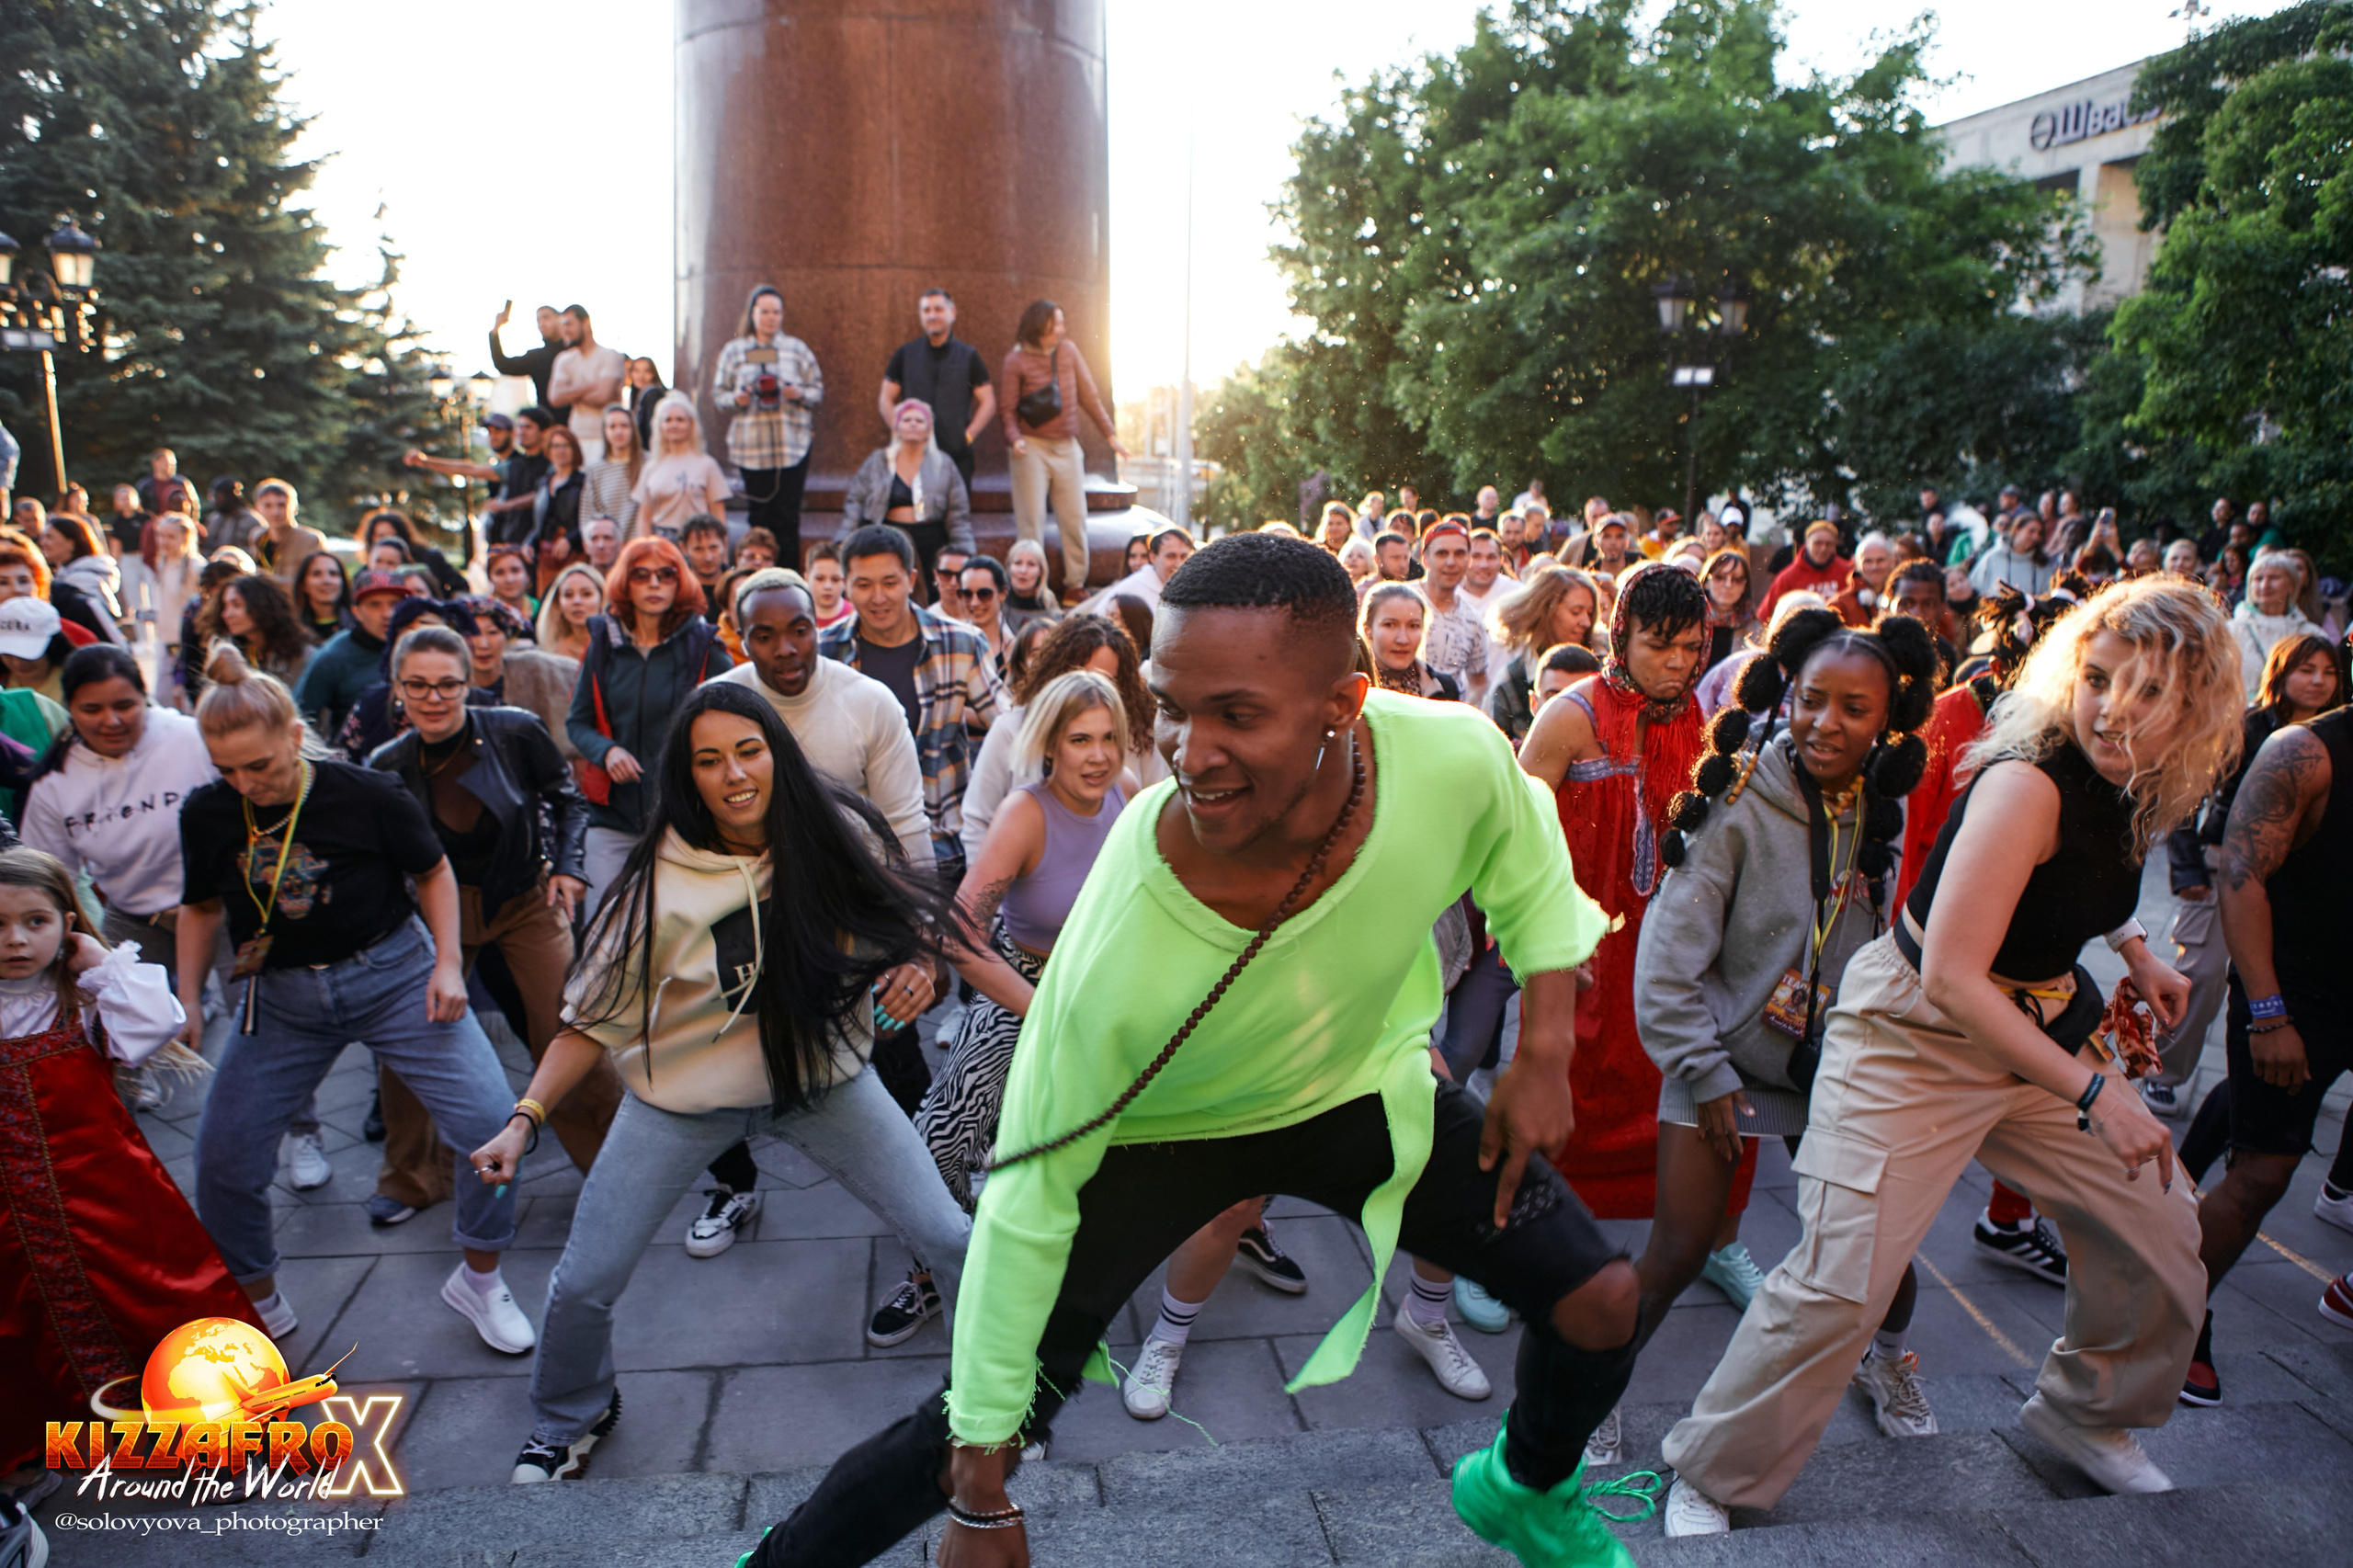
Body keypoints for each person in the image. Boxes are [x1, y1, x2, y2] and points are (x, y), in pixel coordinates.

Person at [745, 534, 1637, 1568]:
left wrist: (1543, 1048)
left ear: (1343, 704)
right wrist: (981, 1498)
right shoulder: (1126, 922)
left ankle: (1525, 1488)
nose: (1186, 750)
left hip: (1357, 1093)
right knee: (974, 1421)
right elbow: (1028, 1190)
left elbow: (1525, 849)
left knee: (1601, 1300)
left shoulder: (1453, 754)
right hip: (1160, 1135)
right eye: (1169, 707)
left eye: (1237, 715)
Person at [1660, 575, 2237, 1533]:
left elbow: (2078, 881)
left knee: (2164, 1229)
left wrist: (2135, 949)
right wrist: (2097, 1092)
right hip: (1915, 1034)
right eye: (2097, 678)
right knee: (1842, 1281)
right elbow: (1955, 980)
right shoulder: (2026, 782)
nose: (2111, 709)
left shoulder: (2142, 777)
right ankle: (1714, 1472)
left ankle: (2088, 1414)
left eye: (2146, 692)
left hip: (2037, 1030)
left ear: (2193, 706)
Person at [469, 681, 972, 1484]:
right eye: (709, 760)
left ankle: (991, 1402)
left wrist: (919, 966)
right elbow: (588, 1019)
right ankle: (572, 1416)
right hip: (679, 1106)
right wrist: (524, 1118)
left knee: (951, 1237)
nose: (734, 774)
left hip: (824, 1085)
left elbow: (908, 924)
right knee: (586, 1279)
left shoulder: (835, 835)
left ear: (778, 754)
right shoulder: (656, 883)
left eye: (748, 750)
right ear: (687, 776)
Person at [1637, 610, 1942, 1444]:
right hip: (1718, 1056)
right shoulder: (1737, 798)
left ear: (1888, 719)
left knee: (1879, 1252)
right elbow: (1665, 962)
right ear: (1787, 695)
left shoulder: (1880, 805)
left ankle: (1888, 1362)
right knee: (1677, 1251)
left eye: (1854, 708)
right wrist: (1703, 1069)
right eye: (1811, 700)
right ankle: (1588, 1394)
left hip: (1830, 1062)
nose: (1825, 724)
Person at [179, 648, 536, 1348]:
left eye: (260, 765)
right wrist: (189, 999)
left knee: (493, 1127)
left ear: (293, 736)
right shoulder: (208, 812)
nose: (246, 783)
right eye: (228, 770)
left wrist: (448, 966)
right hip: (282, 999)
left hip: (393, 977)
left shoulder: (365, 792)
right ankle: (257, 1298)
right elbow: (198, 907)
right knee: (223, 1161)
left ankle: (481, 1279)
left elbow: (433, 872)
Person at [0, 846, 247, 1505]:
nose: (15, 940)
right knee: (18, 1325)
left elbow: (157, 1022)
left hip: (108, 1193)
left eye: (34, 922)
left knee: (158, 1300)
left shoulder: (82, 998)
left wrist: (100, 964)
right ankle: (26, 1454)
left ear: (66, 925)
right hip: (9, 1211)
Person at [363, 624, 620, 1225]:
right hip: (436, 914)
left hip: (524, 898)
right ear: (398, 689)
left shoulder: (514, 730)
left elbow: (568, 798)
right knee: (411, 1031)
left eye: (448, 684)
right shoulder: (387, 764)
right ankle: (410, 1178)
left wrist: (569, 866)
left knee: (568, 1026)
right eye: (418, 685)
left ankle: (613, 1168)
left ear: (468, 683)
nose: (433, 698)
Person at [1517, 562, 1711, 1225]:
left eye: (1691, 647)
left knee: (1656, 1080)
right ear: (1621, 635)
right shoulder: (1569, 717)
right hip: (1577, 941)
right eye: (1660, 645)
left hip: (1660, 940)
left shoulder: (1694, 717)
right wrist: (1539, 941)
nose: (1677, 663)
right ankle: (1520, 1234)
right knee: (1559, 1087)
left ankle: (1684, 1235)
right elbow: (1514, 837)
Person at [820, 526, 1006, 889]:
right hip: (852, 846)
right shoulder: (824, 651)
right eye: (864, 585)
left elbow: (1009, 724)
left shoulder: (960, 643)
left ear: (911, 579)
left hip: (941, 839)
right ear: (846, 586)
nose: (878, 597)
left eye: (889, 583)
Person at [566, 537, 732, 916]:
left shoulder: (705, 648)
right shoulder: (603, 644)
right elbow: (577, 722)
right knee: (603, 928)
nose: (654, 584)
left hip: (683, 819)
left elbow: (734, 725)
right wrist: (607, 751)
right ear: (625, 583)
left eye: (665, 574)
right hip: (612, 818)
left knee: (676, 932)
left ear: (680, 582)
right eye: (641, 575)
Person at [958, 612, 1157, 859]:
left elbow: (1154, 815)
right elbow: (977, 822)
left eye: (1107, 681)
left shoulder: (1140, 732)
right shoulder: (1013, 729)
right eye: (1080, 677)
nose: (1092, 691)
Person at [1003, 299, 1129, 598]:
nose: (1060, 330)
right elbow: (1007, 409)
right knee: (1031, 522)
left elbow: (1089, 396)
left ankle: (1075, 585)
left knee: (1074, 518)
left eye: (1061, 323)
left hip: (1067, 447)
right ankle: (1033, 590)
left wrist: (1110, 435)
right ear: (1037, 328)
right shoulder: (1016, 360)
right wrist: (1015, 438)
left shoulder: (1068, 351)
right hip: (1031, 447)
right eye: (1053, 325)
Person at [713, 284, 824, 561]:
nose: (771, 318)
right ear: (752, 313)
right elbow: (718, 395)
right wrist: (737, 398)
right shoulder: (735, 351)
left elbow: (817, 390)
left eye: (776, 312)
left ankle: (789, 576)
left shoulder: (796, 349)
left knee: (788, 517)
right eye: (764, 312)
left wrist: (798, 393)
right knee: (759, 517)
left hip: (791, 446)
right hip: (752, 449)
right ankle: (758, 574)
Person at [841, 400, 974, 597]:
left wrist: (964, 549)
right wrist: (843, 540)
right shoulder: (878, 460)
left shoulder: (944, 464)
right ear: (897, 427)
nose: (913, 424)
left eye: (919, 421)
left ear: (928, 429)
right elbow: (855, 502)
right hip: (887, 537)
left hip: (930, 540)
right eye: (906, 420)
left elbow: (958, 512)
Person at [880, 287, 996, 487]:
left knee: (957, 507)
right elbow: (885, 398)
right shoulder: (905, 354)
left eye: (938, 309)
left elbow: (988, 402)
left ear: (952, 313)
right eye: (926, 310)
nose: (932, 315)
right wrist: (900, 430)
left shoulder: (968, 355)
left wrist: (968, 436)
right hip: (913, 455)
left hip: (957, 456)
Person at [1484, 564, 1600, 746]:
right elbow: (1493, 746)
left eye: (1590, 613)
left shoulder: (1602, 667)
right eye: (1576, 612)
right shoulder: (1511, 681)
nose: (1586, 622)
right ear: (1547, 610)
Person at [292, 568, 407, 739]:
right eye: (374, 605)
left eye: (395, 604)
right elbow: (297, 717)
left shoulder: (420, 647)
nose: (387, 614)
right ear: (356, 611)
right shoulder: (333, 656)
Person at [631, 392, 732, 542]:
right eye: (668, 420)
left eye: (680, 419)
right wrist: (645, 548)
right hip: (662, 543)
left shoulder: (707, 465)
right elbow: (644, 518)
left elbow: (718, 515)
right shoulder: (651, 467)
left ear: (691, 424)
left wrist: (721, 552)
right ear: (660, 426)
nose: (674, 425)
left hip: (698, 543)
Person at [1416, 520, 1492, 706]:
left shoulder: (1472, 620)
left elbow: (1479, 681)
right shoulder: (1399, 599)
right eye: (1442, 553)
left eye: (1459, 554)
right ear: (1425, 559)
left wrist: (1466, 712)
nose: (1451, 562)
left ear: (1468, 560)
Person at [2229, 552, 2319, 703]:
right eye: (2258, 579)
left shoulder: (2311, 634)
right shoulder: (2229, 632)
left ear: (2291, 586)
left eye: (2274, 578)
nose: (2265, 585)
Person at [546, 304, 625, 463]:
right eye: (563, 326)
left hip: (605, 438)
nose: (565, 330)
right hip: (576, 438)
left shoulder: (610, 356)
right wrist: (590, 386)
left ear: (586, 323)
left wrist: (570, 393)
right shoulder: (564, 360)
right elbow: (555, 398)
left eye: (569, 324)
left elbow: (603, 396)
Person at [1362, 582, 1460, 700]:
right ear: (1368, 630)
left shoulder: (1444, 688)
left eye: (1413, 626)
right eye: (1389, 625)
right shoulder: (1350, 686)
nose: (1403, 640)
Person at [40, 510, 126, 644]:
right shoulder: (66, 575)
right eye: (43, 537)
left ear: (71, 543)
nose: (43, 543)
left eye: (50, 537)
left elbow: (103, 627)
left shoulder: (83, 580)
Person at [1082, 524, 1193, 618]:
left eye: (1184, 556)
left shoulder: (1190, 588)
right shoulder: (1134, 588)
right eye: (1171, 556)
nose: (1178, 564)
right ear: (1153, 557)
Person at [527, 426, 587, 590]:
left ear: (574, 450)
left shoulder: (584, 482)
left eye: (566, 445)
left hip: (575, 555)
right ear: (549, 450)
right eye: (556, 446)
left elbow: (591, 520)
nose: (561, 450)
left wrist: (570, 539)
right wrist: (530, 542)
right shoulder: (543, 483)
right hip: (546, 557)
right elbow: (539, 523)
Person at [248, 478, 328, 595]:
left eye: (282, 505)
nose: (275, 512)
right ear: (258, 507)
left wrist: (269, 578)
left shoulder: (310, 539)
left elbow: (316, 583)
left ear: (294, 507)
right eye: (267, 505)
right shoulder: (257, 536)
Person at [1758, 521, 1849, 619]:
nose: (1823, 548)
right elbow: (1765, 615)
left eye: (1829, 544)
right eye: (1817, 543)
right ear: (1807, 543)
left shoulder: (1847, 572)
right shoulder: (1787, 577)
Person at [1697, 547, 1765, 676]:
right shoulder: (1692, 622)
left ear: (1745, 586)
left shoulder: (1754, 631)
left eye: (1737, 579)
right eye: (1720, 577)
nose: (1728, 585)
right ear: (1706, 582)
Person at [582, 404, 642, 544]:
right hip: (609, 548)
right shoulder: (595, 470)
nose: (619, 431)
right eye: (612, 426)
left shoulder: (649, 464)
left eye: (624, 426)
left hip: (643, 546)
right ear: (605, 431)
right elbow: (587, 516)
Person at [489, 301, 563, 410]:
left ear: (560, 319)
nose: (542, 324)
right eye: (538, 320)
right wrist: (495, 330)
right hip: (547, 418)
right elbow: (503, 364)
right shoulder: (536, 357)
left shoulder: (575, 351)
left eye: (546, 317)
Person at [1970, 512, 2057, 598]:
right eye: (2031, 531)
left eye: (2039, 533)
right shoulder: (1993, 557)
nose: (2036, 537)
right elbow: (1974, 587)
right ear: (2017, 530)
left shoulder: (2042, 565)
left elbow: (2047, 597)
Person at [535, 560, 606, 664]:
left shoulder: (617, 647)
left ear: (602, 599)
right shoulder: (552, 652)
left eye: (586, 594)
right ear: (558, 603)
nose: (576, 601)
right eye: (568, 595)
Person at [958, 556, 1016, 677]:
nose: (974, 603)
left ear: (1002, 594)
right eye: (967, 594)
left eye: (984, 594)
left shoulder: (1017, 650)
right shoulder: (951, 642)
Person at [1826, 531, 1894, 630]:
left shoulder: (1903, 599)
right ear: (1857, 565)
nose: (1874, 567)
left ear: (1892, 562)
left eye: (1880, 560)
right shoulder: (1838, 605)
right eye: (1868, 561)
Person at [288, 549, 348, 644]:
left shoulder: (361, 627)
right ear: (303, 585)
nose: (327, 581)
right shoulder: (292, 633)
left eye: (333, 574)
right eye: (316, 574)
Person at [680, 514, 732, 623]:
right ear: (683, 548)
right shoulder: (677, 589)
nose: (708, 557)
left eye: (713, 547)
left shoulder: (735, 585)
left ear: (725, 543)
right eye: (698, 549)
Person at [1002, 538, 1060, 634]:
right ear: (1009, 568)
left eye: (1031, 564)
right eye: (1018, 563)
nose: (1023, 570)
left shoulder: (1048, 602)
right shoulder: (999, 601)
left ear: (1040, 571)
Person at [484, 543, 538, 626]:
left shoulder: (543, 609)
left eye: (515, 570)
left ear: (528, 575)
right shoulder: (482, 612)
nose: (509, 579)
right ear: (490, 578)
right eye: (499, 573)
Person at [625, 357, 668, 453]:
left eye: (647, 371)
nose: (641, 376)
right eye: (636, 371)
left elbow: (651, 431)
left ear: (654, 374)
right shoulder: (639, 395)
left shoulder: (652, 394)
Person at [806, 541, 851, 631]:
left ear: (845, 581)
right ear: (806, 578)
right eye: (820, 578)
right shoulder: (797, 615)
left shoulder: (855, 616)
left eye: (835, 579)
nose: (828, 586)